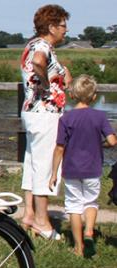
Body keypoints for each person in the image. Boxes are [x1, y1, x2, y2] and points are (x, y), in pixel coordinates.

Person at [49, 75, 116, 258]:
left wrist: (54, 173)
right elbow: (112, 141)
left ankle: (78, 247)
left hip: (71, 170)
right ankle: (89, 232)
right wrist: (101, 144)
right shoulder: (100, 116)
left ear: (73, 95)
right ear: (94, 97)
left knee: (74, 207)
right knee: (91, 203)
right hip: (93, 170)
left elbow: (59, 148)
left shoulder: (66, 118)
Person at [19, 3, 71, 240]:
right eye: (62, 25)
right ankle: (42, 221)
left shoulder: (31, 44)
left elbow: (43, 63)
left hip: (32, 112)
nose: (66, 30)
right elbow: (40, 62)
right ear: (51, 27)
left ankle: (29, 214)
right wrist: (48, 86)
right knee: (45, 166)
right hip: (45, 113)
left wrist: (62, 70)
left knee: (32, 163)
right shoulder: (42, 46)